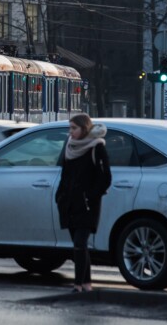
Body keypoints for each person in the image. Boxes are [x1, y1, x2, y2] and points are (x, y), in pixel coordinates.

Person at [55, 113, 111, 293]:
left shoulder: (96, 147)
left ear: (84, 128)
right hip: (70, 203)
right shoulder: (69, 147)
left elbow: (105, 178)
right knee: (79, 246)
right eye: (69, 128)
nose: (70, 132)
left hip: (87, 205)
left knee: (80, 243)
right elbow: (65, 175)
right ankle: (86, 283)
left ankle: (78, 285)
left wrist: (90, 196)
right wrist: (60, 196)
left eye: (74, 128)